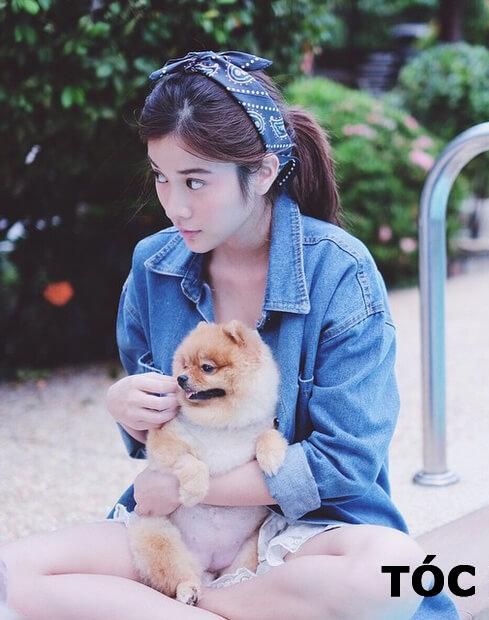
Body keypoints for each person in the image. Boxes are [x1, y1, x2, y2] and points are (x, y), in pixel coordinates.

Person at [0, 50, 460, 620]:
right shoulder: (154, 266)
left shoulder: (339, 270)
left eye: (196, 181)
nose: (175, 206)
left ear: (263, 172)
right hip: (183, 531)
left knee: (393, 572)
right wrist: (128, 408)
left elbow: (345, 463)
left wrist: (191, 487)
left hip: (301, 534)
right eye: (162, 177)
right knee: (9, 575)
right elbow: (167, 428)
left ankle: (206, 606)